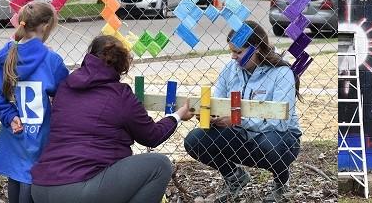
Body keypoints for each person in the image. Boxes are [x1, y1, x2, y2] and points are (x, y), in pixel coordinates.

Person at [29, 35, 194, 203]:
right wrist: (177, 116)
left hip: (41, 187)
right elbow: (151, 136)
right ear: (122, 66)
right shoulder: (120, 95)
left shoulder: (66, 86)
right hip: (79, 189)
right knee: (160, 165)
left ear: (90, 56)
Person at [183, 20, 302, 203]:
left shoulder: (281, 72)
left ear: (257, 49)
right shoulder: (231, 69)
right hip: (239, 134)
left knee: (270, 145)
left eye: (238, 52)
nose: (233, 57)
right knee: (195, 140)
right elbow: (219, 103)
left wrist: (237, 120)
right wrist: (210, 115)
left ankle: (281, 182)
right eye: (231, 51)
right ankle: (234, 177)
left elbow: (280, 123)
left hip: (278, 137)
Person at [0, 2, 68, 203]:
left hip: (14, 132)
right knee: (31, 183)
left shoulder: (6, 55)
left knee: (15, 179)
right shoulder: (51, 60)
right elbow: (67, 94)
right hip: (40, 134)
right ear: (46, 26)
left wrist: (9, 115)